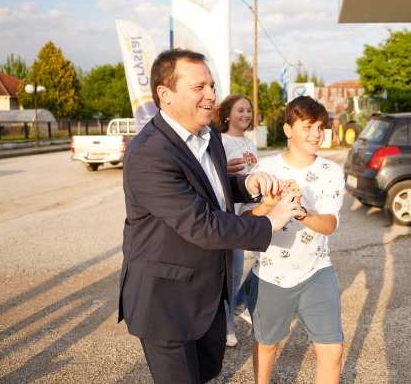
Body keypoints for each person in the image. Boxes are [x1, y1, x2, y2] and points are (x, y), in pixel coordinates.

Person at [118, 48, 302, 384]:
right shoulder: (149, 153)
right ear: (165, 94)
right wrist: (270, 222)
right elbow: (201, 224)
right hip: (165, 302)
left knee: (206, 375)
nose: (211, 95)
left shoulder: (210, 135)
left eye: (212, 86)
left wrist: (247, 184)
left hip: (207, 295)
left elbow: (210, 187)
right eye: (198, 87)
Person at [241, 96, 345, 384]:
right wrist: (268, 205)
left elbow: (330, 224)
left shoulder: (331, 171)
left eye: (320, 127)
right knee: (267, 345)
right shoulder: (265, 169)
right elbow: (245, 223)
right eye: (307, 126)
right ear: (288, 129)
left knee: (332, 351)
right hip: (271, 274)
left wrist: (302, 213)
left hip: (316, 271)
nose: (316, 134)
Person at [215, 94, 258, 347]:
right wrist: (223, 168)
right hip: (229, 218)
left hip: (250, 213)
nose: (245, 114)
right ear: (227, 115)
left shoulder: (251, 143)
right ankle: (227, 326)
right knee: (232, 274)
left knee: (264, 262)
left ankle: (240, 303)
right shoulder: (220, 141)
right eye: (240, 110)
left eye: (248, 110)